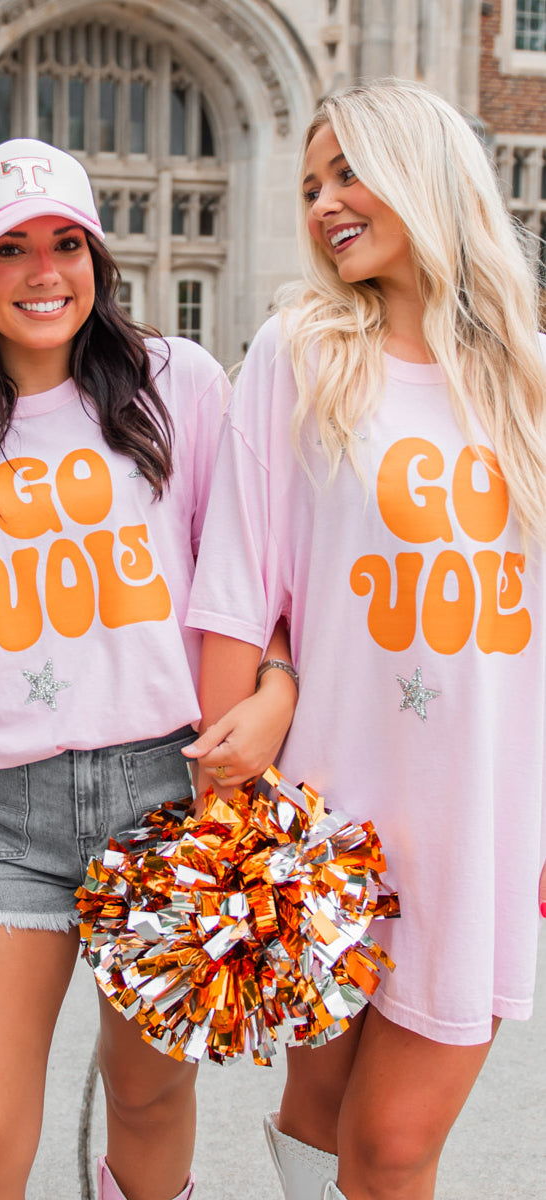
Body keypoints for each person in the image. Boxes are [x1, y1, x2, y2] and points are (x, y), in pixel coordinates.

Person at [0, 137, 297, 1200]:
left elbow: (250, 572)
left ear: (98, 258)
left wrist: (277, 689)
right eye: (10, 249)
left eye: (66, 242)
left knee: (149, 1103)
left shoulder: (176, 385)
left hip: (165, 796)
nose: (44, 272)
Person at [185, 78, 546, 1200]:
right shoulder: (299, 353)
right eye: (309, 184)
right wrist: (226, 825)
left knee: (393, 1147)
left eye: (348, 171)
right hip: (326, 829)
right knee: (319, 1117)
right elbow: (242, 591)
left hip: (485, 818)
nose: (325, 202)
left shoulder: (529, 378)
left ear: (428, 177)